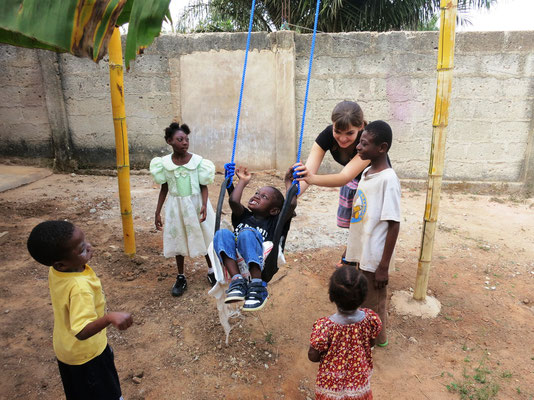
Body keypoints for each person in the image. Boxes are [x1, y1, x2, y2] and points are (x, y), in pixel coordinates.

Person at [27, 221, 133, 400]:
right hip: (87, 356)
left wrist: (81, 256)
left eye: (85, 242)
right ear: (61, 264)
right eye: (82, 249)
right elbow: (82, 331)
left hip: (67, 350)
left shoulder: (57, 271)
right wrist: (108, 318)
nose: (89, 247)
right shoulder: (79, 287)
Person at [294, 100, 370, 267]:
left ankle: (354, 259)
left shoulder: (369, 138)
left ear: (361, 127)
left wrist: (311, 179)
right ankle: (352, 255)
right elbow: (309, 171)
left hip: (374, 182)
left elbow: (344, 177)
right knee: (356, 225)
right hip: (355, 182)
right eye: (338, 131)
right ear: (333, 125)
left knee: (369, 226)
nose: (342, 139)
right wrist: (291, 197)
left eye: (350, 133)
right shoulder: (327, 135)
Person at [345, 120, 400, 347]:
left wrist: (384, 267)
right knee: (364, 300)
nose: (358, 147)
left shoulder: (389, 180)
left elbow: (394, 224)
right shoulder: (367, 171)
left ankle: (378, 340)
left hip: (376, 258)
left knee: (374, 304)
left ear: (382, 148)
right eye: (359, 142)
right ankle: (366, 337)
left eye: (364, 144)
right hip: (364, 252)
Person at [212, 166, 296, 311]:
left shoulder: (274, 222)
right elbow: (233, 202)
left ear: (274, 210)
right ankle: (237, 281)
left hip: (261, 266)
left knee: (246, 233)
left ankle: (257, 285)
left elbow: (291, 204)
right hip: (237, 262)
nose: (257, 196)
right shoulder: (243, 216)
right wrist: (242, 182)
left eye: (264, 197)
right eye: (257, 193)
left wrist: (289, 183)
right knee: (221, 234)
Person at [150, 122, 216, 297]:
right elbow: (164, 188)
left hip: (196, 206)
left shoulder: (198, 162)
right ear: (169, 141)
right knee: (178, 237)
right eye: (180, 139)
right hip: (176, 207)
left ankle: (212, 271)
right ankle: (181, 277)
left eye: (186, 139)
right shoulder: (164, 164)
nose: (185, 142)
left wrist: (204, 204)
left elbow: (203, 186)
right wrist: (157, 211)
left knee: (203, 236)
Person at [309, 266, 382, 400]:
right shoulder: (371, 319)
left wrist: (330, 356)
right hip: (359, 383)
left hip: (331, 387)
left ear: (331, 296)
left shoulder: (325, 327)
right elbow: (371, 342)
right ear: (364, 296)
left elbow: (313, 356)